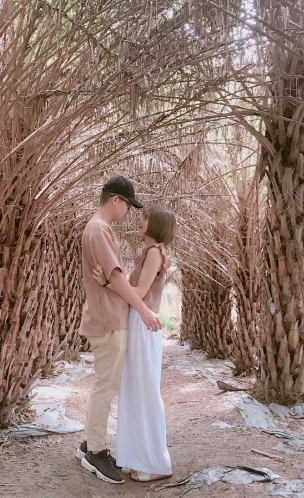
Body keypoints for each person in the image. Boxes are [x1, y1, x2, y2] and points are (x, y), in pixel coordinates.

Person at [77, 176, 162, 485]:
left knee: (105, 384)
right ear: (116, 200)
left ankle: (91, 443)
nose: (128, 212)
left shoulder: (99, 229)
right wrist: (144, 310)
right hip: (108, 321)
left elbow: (111, 279)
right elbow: (115, 278)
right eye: (128, 205)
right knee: (105, 387)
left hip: (108, 318)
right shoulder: (99, 230)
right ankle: (95, 452)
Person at [93, 205, 176, 482]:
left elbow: (139, 292)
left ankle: (157, 464)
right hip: (139, 322)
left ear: (158, 224)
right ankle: (137, 458)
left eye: (146, 218)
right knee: (134, 391)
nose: (140, 220)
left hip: (144, 324)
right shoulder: (150, 252)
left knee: (144, 391)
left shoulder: (154, 253)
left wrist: (108, 282)